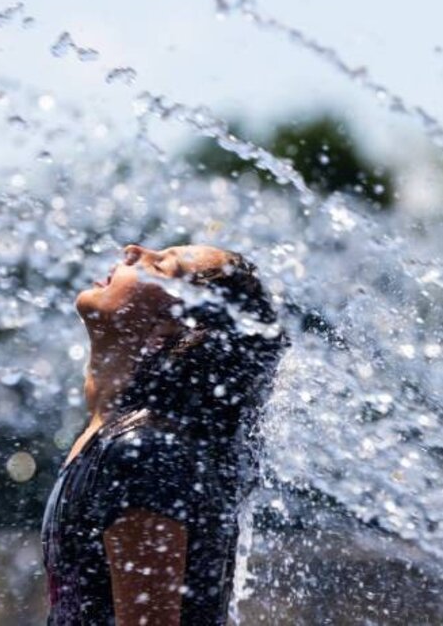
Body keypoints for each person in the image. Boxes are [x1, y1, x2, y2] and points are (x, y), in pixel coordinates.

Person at [42, 244, 287, 625]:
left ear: (171, 327)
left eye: (160, 265)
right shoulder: (117, 437)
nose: (132, 251)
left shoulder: (144, 454)